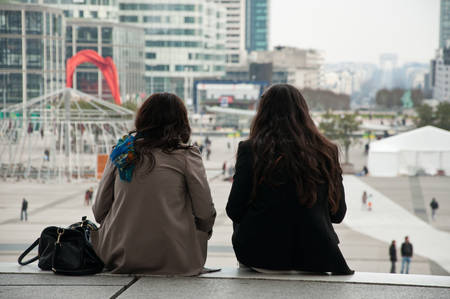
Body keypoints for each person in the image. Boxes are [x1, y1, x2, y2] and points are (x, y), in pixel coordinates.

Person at [226, 84, 353, 275]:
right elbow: (338, 214)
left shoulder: (250, 149)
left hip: (261, 257)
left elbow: (234, 210)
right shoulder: (327, 151)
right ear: (304, 111)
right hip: (317, 257)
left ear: (263, 112)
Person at [92, 93, 216, 275]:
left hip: (118, 256)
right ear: (181, 122)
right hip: (177, 258)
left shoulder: (121, 152)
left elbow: (98, 211)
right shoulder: (186, 155)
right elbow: (204, 212)